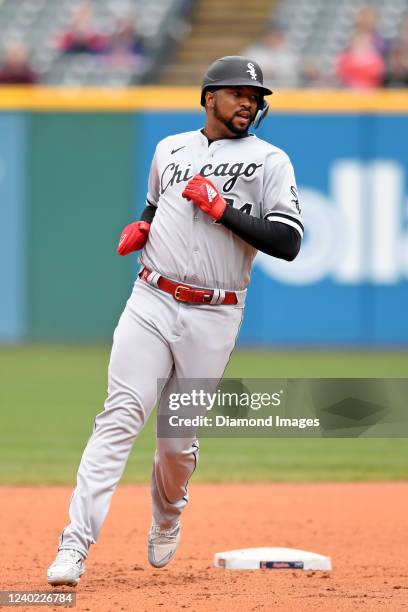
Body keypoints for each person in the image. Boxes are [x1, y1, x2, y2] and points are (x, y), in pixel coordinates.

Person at [47, 55, 303, 587]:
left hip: (215, 311)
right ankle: (74, 545)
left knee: (175, 441)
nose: (249, 104)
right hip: (151, 298)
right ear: (209, 97)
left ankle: (168, 512)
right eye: (238, 94)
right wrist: (142, 227)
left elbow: (288, 242)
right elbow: (152, 206)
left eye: (255, 98)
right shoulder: (169, 149)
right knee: (119, 416)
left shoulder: (270, 160)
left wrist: (224, 211)